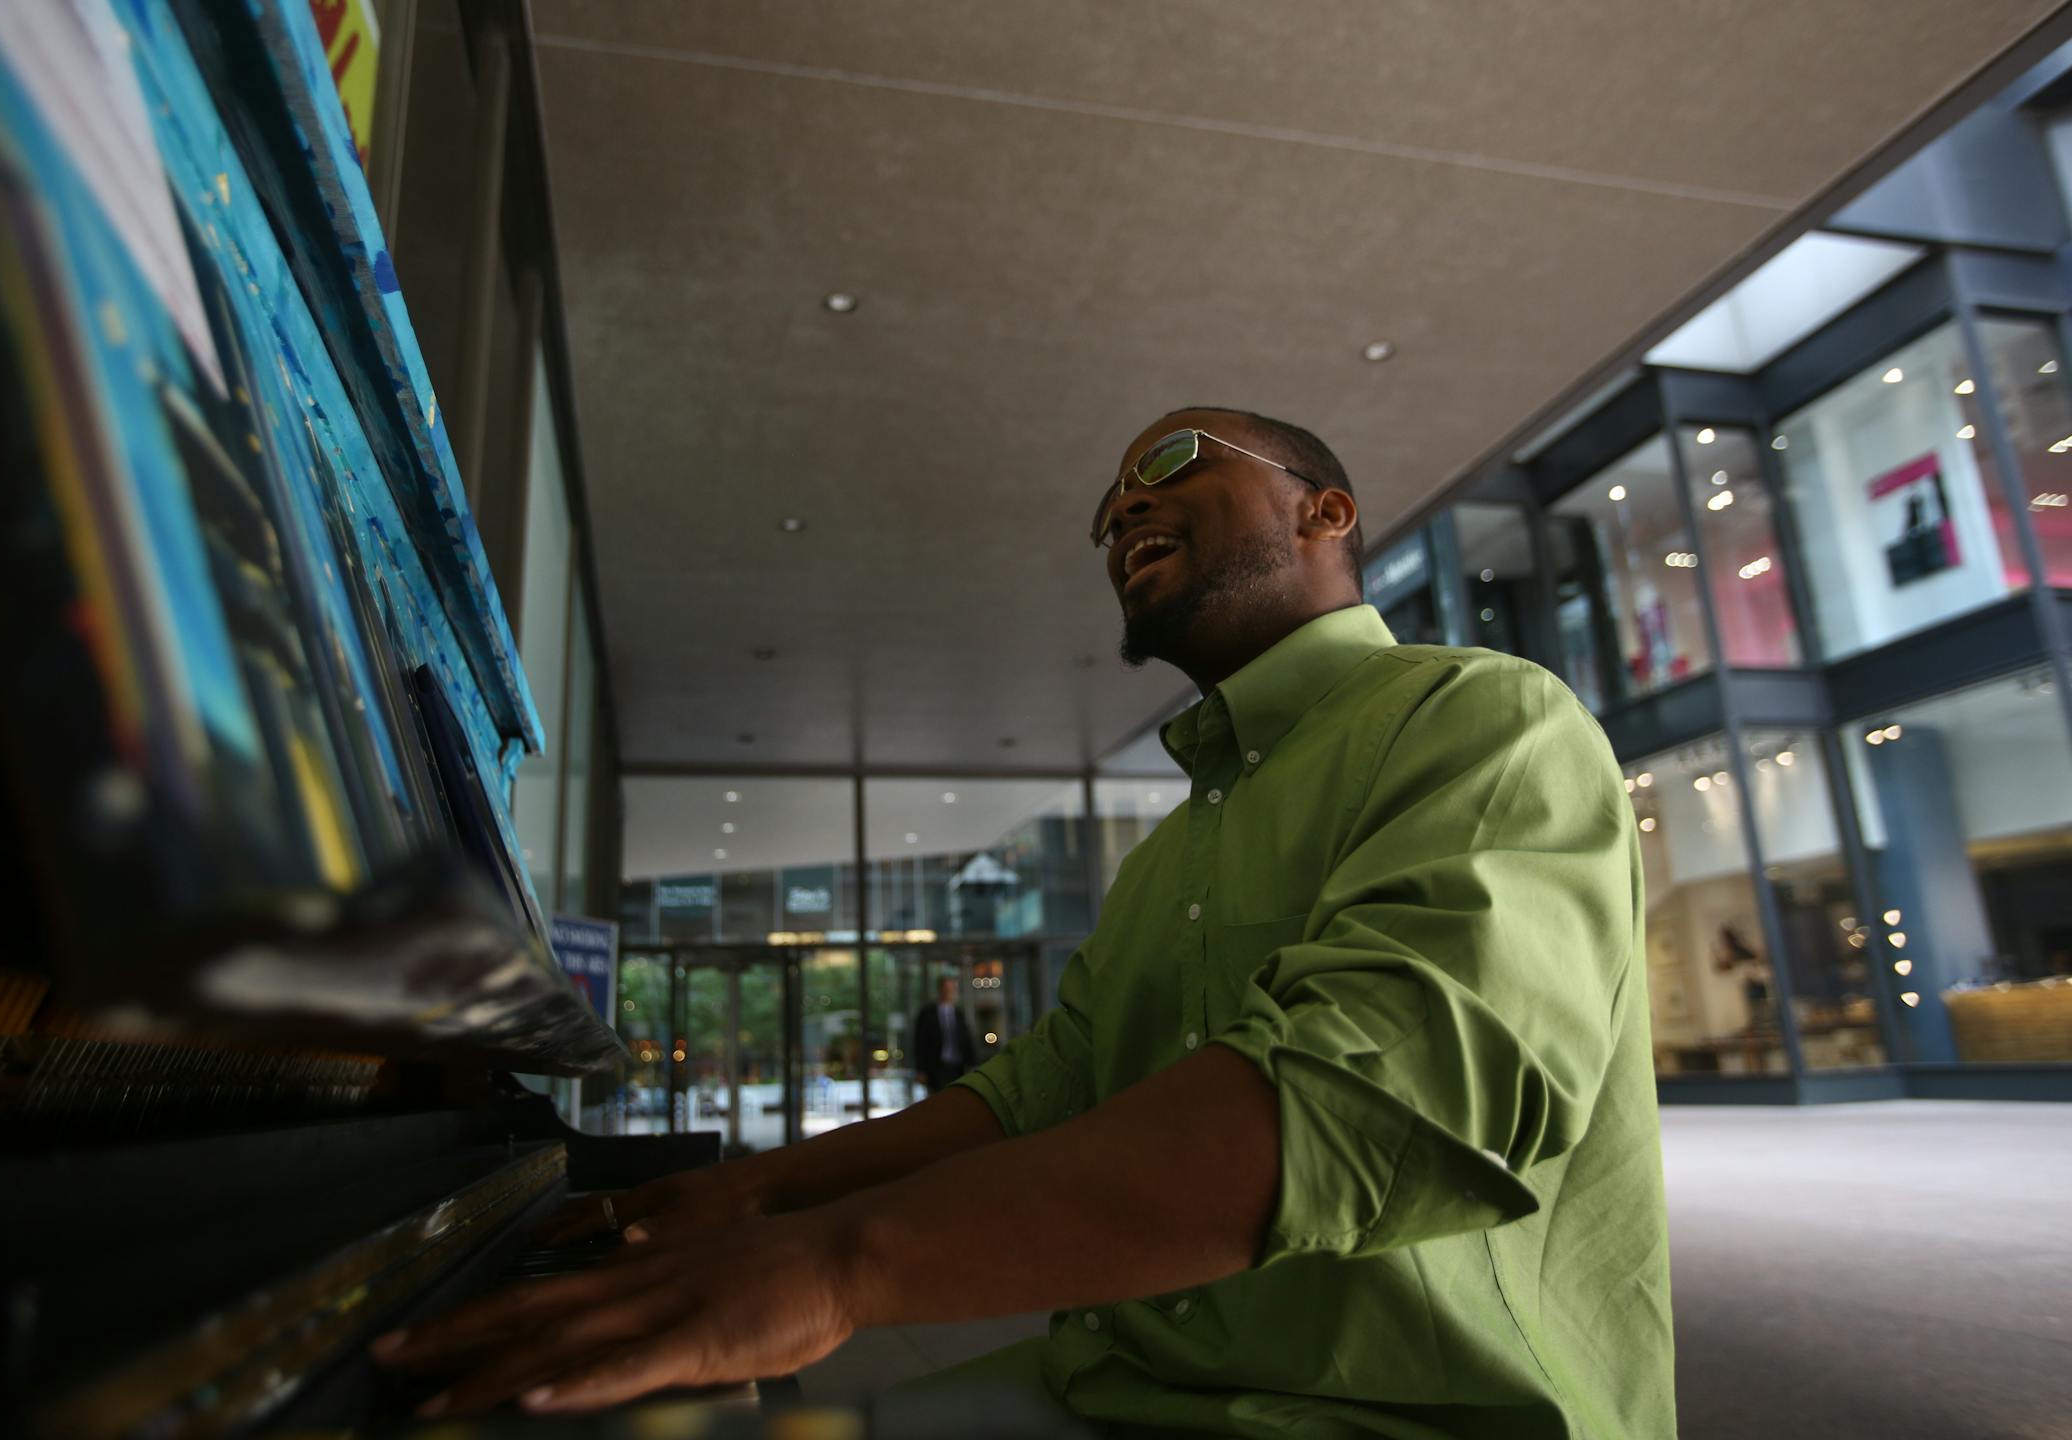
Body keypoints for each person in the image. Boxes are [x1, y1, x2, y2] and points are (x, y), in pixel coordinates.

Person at [373, 407, 1677, 1437]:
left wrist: (836, 1267)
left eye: (1168, 462)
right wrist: (750, 1194)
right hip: (1129, 1385)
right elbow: (1036, 1093)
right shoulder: (1173, 850)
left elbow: (1374, 1104)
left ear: (1324, 510)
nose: (1123, 509)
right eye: (1108, 509)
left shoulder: (1483, 718)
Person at [911, 974, 977, 1092]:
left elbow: (966, 1039)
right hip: (937, 1065)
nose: (949, 992)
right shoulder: (928, 1013)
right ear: (940, 989)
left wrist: (971, 1063)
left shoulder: (958, 1013)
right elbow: (920, 1042)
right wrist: (920, 1069)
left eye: (952, 989)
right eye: (947, 988)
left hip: (957, 1066)